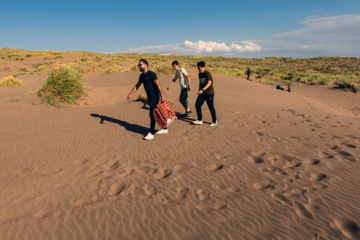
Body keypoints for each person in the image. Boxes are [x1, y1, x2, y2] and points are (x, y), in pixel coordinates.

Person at [126, 59, 167, 140]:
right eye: (138, 65)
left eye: (140, 65)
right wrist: (130, 94)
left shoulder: (151, 74)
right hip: (150, 96)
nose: (138, 66)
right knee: (157, 113)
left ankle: (151, 132)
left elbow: (158, 85)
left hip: (154, 96)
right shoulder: (142, 75)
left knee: (152, 114)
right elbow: (137, 86)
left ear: (145, 65)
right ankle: (164, 128)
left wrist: (162, 97)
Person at [193, 61, 217, 126]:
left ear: (204, 67)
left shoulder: (207, 73)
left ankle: (214, 121)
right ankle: (199, 120)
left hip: (209, 93)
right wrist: (199, 90)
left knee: (210, 107)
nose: (200, 69)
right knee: (197, 105)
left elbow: (209, 83)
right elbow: (200, 82)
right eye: (199, 68)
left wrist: (202, 89)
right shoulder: (199, 74)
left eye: (201, 67)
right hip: (202, 93)